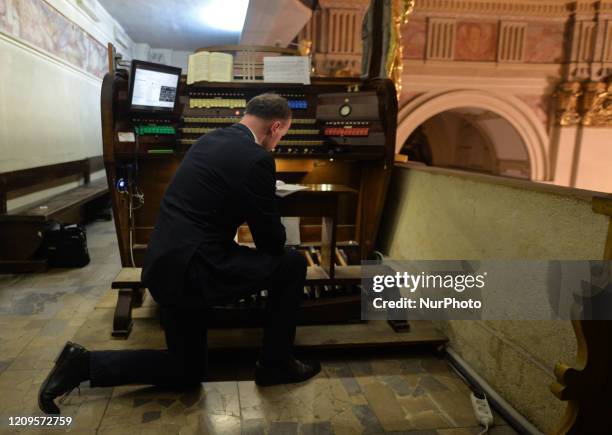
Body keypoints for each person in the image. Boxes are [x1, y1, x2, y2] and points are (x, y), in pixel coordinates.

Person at [38, 93, 321, 415]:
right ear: (276, 126)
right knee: (291, 264)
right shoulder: (257, 159)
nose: (279, 142)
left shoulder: (208, 140)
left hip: (164, 265)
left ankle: (83, 363)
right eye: (282, 134)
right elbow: (270, 242)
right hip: (194, 270)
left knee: (187, 371)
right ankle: (276, 364)